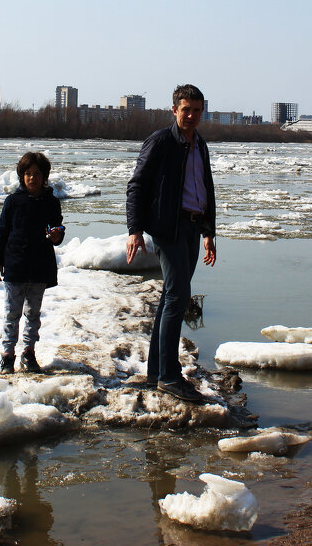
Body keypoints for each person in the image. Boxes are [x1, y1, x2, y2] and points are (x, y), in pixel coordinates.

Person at [126, 84, 217, 403]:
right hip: (168, 227)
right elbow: (136, 185)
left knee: (170, 297)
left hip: (193, 227)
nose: (191, 116)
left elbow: (204, 188)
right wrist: (135, 229)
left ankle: (156, 372)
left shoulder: (200, 145)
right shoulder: (162, 141)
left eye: (196, 110)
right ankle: (169, 376)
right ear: (174, 110)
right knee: (178, 296)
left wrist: (209, 233)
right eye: (186, 109)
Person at [0, 152, 65, 375]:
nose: (32, 178)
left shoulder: (51, 202)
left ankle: (29, 353)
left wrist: (56, 236)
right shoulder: (13, 202)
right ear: (21, 176)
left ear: (44, 177)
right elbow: (2, 232)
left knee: (33, 313)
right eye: (28, 174)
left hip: (39, 267)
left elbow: (58, 229)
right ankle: (7, 357)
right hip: (15, 265)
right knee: (11, 314)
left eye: (36, 174)